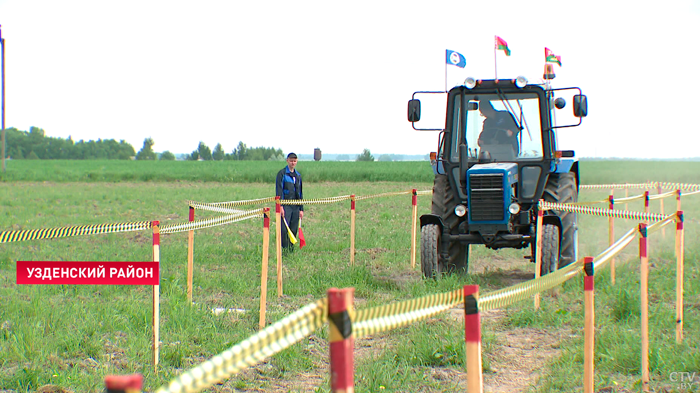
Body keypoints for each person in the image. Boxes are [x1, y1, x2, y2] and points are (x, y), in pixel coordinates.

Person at [276, 152, 304, 251]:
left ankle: (291, 250)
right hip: (285, 206)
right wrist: (281, 206)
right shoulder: (281, 174)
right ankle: (283, 250)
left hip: (296, 206)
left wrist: (301, 209)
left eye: (294, 161)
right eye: (291, 161)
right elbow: (279, 191)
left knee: (293, 229)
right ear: (287, 160)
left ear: (297, 162)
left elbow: (300, 193)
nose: (293, 163)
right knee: (284, 229)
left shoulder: (298, 176)